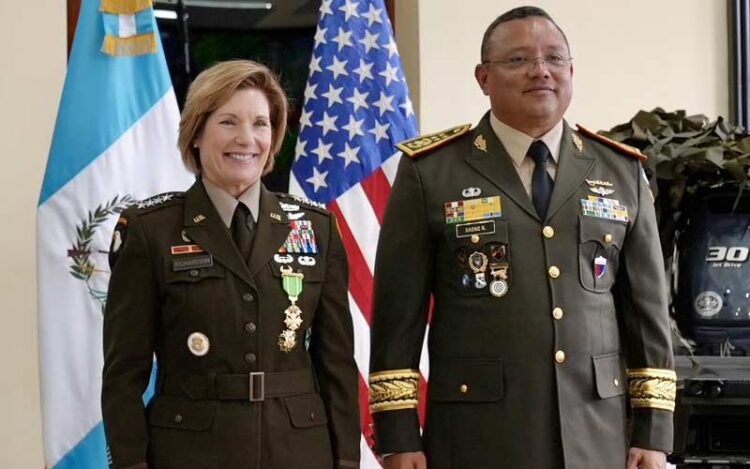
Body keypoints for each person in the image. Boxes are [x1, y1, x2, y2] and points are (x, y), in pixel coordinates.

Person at [369, 6, 676, 469]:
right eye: (518, 60)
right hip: (479, 434)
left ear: (572, 71)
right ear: (483, 77)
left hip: (597, 433)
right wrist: (399, 437)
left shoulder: (621, 171)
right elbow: (398, 320)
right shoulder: (431, 172)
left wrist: (654, 432)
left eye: (555, 58)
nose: (541, 71)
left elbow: (647, 315)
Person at [102, 60, 360, 469]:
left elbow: (337, 364)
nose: (247, 138)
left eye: (261, 123)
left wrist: (347, 459)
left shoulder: (316, 227)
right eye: (228, 122)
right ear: (197, 134)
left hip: (298, 450)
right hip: (190, 451)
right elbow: (123, 374)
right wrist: (132, 463)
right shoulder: (150, 230)